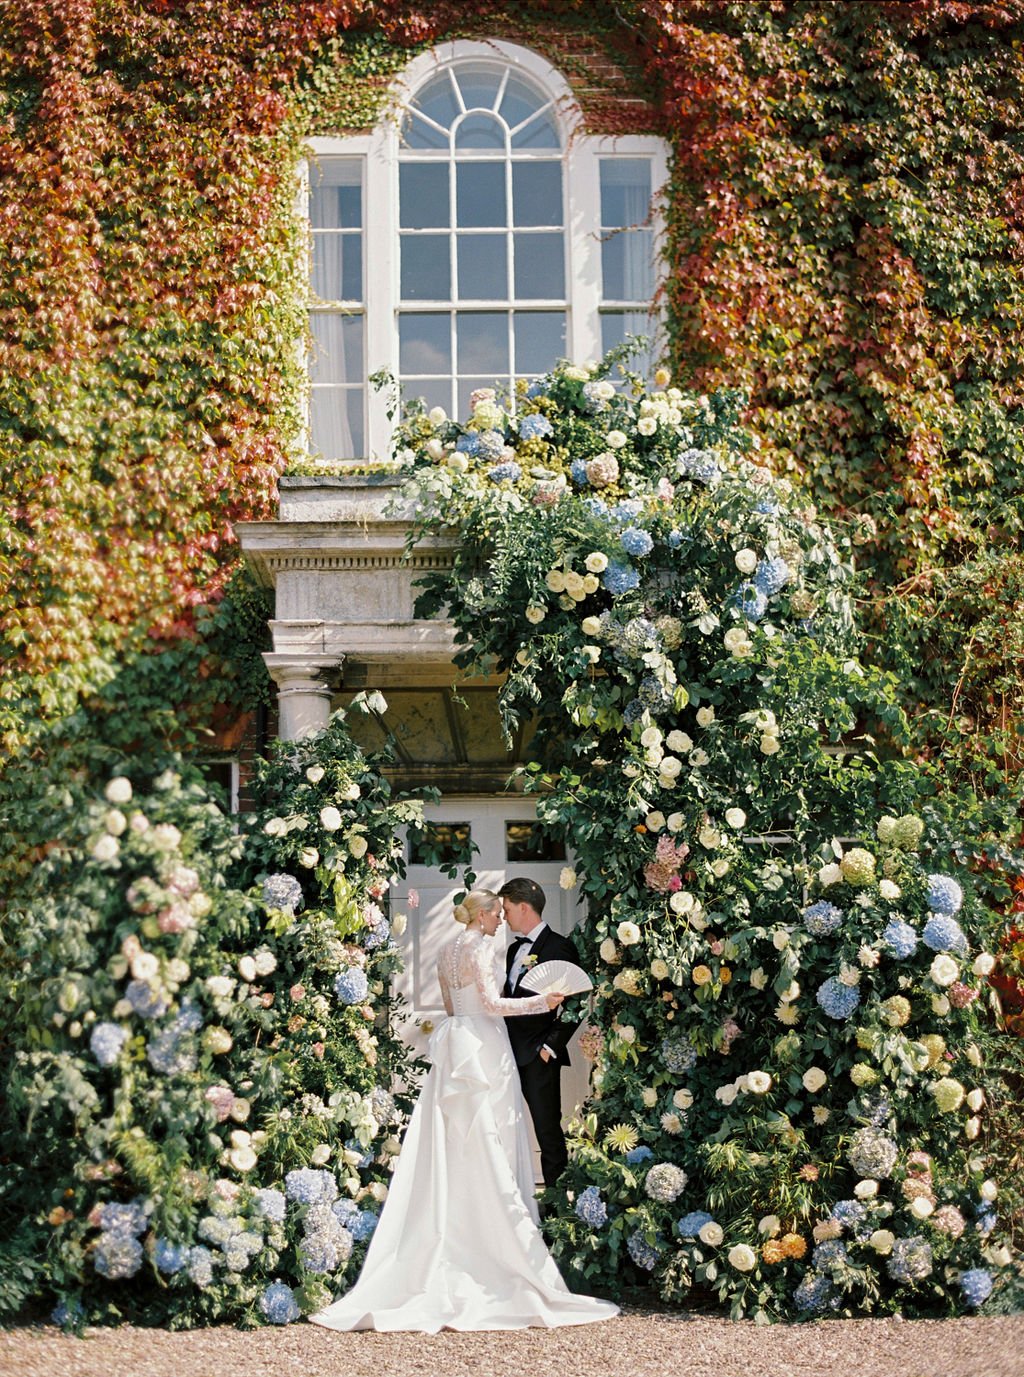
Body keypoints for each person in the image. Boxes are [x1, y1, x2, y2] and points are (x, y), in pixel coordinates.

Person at [310, 889, 618, 1332]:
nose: (501, 923)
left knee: (458, 1141)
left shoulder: (445, 949)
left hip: (458, 1042)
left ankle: (457, 1224)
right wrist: (541, 1003)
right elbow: (491, 1005)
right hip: (486, 1044)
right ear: (486, 914)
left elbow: (454, 1008)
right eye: (498, 915)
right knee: (489, 1134)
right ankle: (495, 1237)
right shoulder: (478, 945)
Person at [499, 876, 580, 1190]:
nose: (504, 916)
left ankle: (558, 1207)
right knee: (506, 1127)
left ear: (523, 907)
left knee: (547, 1132)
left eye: (507, 909)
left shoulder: (560, 947)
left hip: (539, 1057)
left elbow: (575, 1005)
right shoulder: (511, 951)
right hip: (505, 1053)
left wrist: (550, 1046)